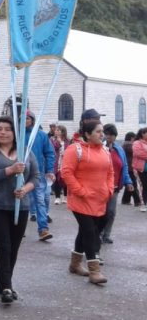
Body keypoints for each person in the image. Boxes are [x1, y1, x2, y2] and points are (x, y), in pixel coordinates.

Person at [0, 116, 39, 304]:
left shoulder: (25, 152)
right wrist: (11, 170)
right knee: (3, 246)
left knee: (14, 247)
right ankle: (6, 286)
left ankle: (3, 282)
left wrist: (25, 189)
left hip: (21, 206)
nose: (2, 132)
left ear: (15, 133)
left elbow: (35, 176)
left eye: (7, 129)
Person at [62, 120, 113, 285]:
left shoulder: (105, 151)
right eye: (98, 131)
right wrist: (81, 191)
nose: (102, 134)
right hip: (81, 200)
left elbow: (110, 173)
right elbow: (66, 173)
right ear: (87, 134)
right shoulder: (74, 149)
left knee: (85, 232)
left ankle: (75, 264)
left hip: (100, 199)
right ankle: (94, 271)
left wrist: (109, 190)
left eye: (102, 131)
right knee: (90, 232)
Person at [100, 124, 133, 244]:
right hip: (100, 187)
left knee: (111, 212)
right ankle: (98, 233)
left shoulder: (119, 150)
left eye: (112, 135)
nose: (109, 137)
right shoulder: (99, 148)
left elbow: (124, 167)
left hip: (114, 187)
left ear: (115, 136)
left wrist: (128, 181)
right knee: (100, 212)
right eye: (107, 134)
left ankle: (106, 235)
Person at [25, 111, 55, 241]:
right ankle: (16, 228)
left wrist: (49, 170)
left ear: (32, 119)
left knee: (40, 200)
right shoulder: (16, 134)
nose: (24, 121)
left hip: (37, 173)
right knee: (20, 201)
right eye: (22, 119)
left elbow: (49, 153)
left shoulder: (41, 135)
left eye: (27, 118)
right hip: (19, 173)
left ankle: (43, 229)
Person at [121, 132, 141, 207]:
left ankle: (125, 200)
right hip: (129, 168)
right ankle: (137, 201)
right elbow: (134, 151)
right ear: (131, 138)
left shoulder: (126, 144)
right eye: (134, 137)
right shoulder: (128, 145)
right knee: (133, 184)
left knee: (129, 184)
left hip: (130, 168)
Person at [52, 125, 71, 204]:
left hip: (65, 162)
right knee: (56, 179)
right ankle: (57, 197)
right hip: (57, 162)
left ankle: (65, 196)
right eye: (56, 130)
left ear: (63, 132)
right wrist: (58, 142)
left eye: (58, 130)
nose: (56, 131)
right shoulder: (52, 140)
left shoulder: (68, 141)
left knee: (65, 180)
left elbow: (70, 150)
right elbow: (53, 149)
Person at [131, 127, 147, 212]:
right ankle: (143, 204)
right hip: (141, 169)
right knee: (142, 186)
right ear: (142, 134)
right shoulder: (137, 143)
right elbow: (138, 153)